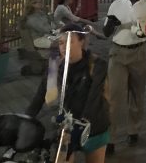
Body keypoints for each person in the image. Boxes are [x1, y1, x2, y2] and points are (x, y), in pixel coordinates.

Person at [27, 24, 110, 163]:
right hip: (67, 127)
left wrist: (81, 124)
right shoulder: (55, 66)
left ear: (82, 41)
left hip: (94, 125)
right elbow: (40, 94)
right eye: (61, 42)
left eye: (70, 41)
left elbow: (94, 98)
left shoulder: (97, 65)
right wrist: (25, 118)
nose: (64, 47)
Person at [103, 0, 146, 156]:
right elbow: (105, 32)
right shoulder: (116, 5)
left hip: (139, 52)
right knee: (113, 96)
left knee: (137, 93)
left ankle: (133, 130)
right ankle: (110, 139)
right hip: (118, 53)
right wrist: (111, 24)